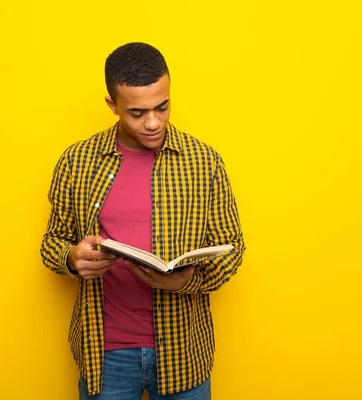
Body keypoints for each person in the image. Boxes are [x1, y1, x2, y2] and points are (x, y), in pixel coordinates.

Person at [41, 42, 245, 400]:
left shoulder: (204, 162)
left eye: (162, 107)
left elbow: (233, 248)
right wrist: (73, 258)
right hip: (106, 356)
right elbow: (52, 243)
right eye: (137, 113)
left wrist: (186, 280)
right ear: (112, 105)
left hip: (184, 352)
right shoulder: (78, 162)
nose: (153, 122)